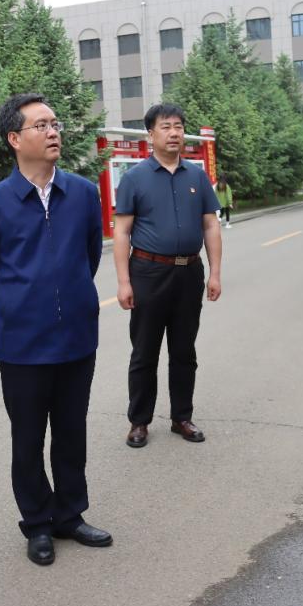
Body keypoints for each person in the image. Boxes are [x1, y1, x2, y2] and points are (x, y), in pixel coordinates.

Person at [0, 93, 112, 567]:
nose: (53, 132)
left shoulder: (82, 194)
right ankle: (37, 522)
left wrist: (71, 297)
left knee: (71, 432)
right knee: (27, 439)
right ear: (14, 138)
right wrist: (15, 306)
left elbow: (89, 256)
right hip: (23, 346)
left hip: (76, 339)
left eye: (55, 124)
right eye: (41, 125)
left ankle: (70, 514)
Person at [113, 103, 222, 448]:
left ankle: (181, 417)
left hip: (189, 272)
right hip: (148, 272)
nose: (174, 133)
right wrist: (124, 282)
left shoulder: (197, 177)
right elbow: (121, 232)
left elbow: (210, 225)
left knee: (184, 350)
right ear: (151, 134)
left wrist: (215, 273)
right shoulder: (134, 178)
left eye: (178, 126)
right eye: (165, 127)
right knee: (144, 351)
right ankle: (139, 421)